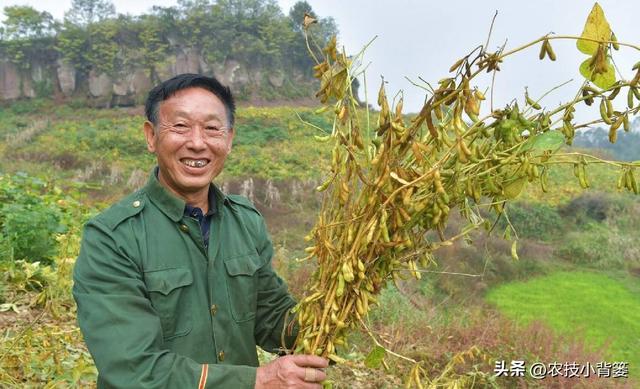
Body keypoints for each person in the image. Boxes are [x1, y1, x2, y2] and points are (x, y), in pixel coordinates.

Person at [73, 73, 328, 388]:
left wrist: (337, 305)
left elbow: (272, 319)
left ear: (229, 139)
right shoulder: (112, 237)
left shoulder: (245, 221)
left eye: (211, 128)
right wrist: (258, 381)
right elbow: (133, 368)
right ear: (151, 136)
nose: (197, 142)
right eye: (180, 126)